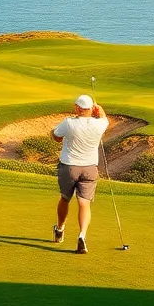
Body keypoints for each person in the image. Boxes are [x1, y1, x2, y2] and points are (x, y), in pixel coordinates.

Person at [50, 94, 109, 254]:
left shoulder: (69, 123)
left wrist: (52, 133)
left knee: (65, 198)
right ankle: (82, 235)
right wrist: (99, 110)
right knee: (84, 203)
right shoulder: (100, 124)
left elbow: (56, 136)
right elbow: (104, 117)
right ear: (91, 108)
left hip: (69, 167)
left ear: (77, 108)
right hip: (90, 169)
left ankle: (60, 229)